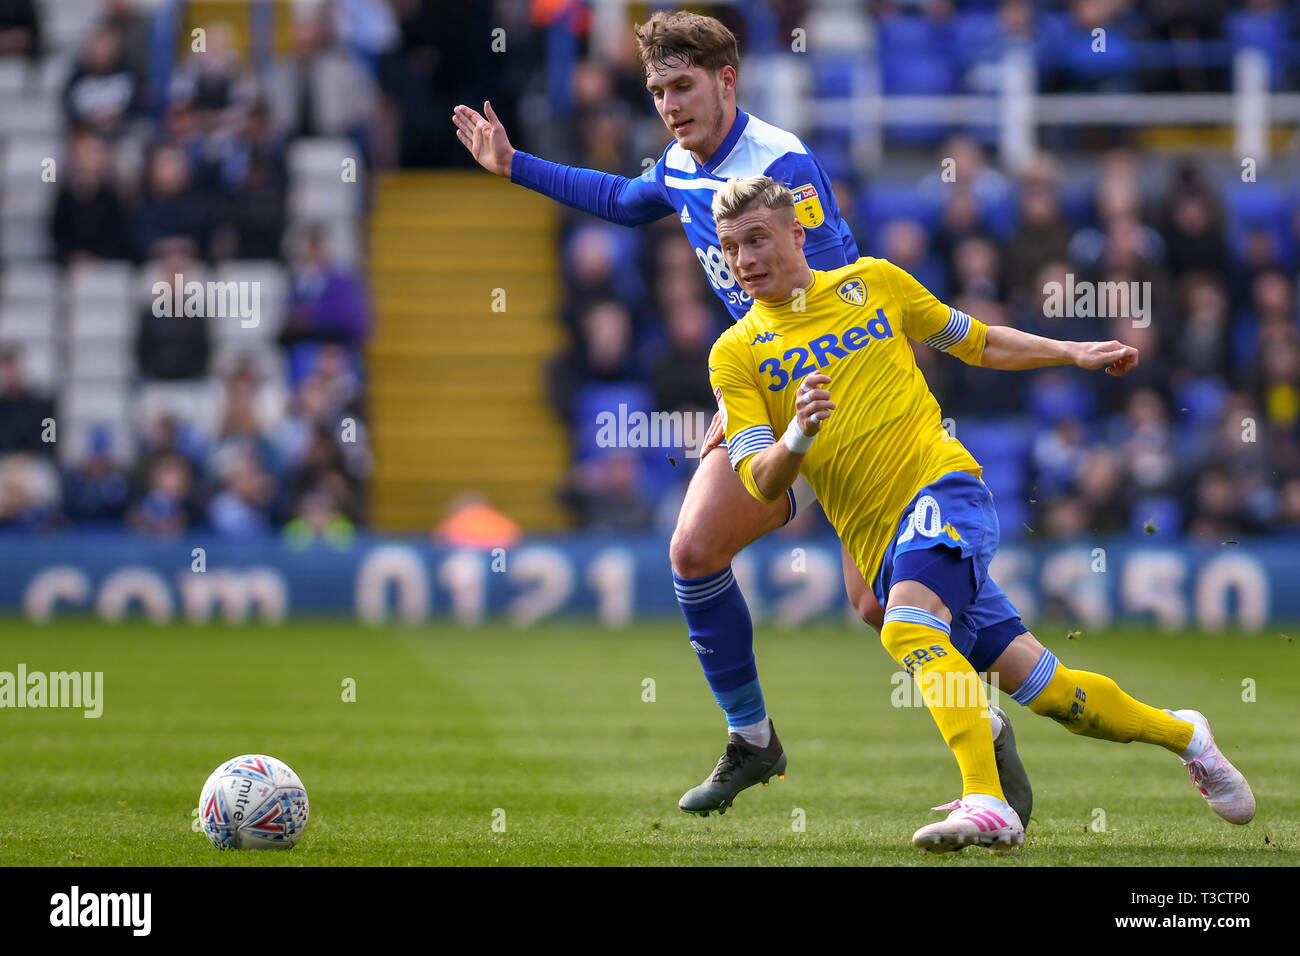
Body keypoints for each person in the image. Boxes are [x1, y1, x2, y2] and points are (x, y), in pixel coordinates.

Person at [451, 10, 1039, 821]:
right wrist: (515, 165)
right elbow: (626, 201)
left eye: (682, 87)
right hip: (766, 390)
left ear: (727, 80)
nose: (668, 105)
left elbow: (835, 297)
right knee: (696, 553)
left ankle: (1007, 711)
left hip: (830, 398)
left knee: (880, 608)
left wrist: (784, 411)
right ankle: (754, 738)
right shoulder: (683, 162)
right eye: (657, 90)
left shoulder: (781, 164)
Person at [704, 175, 1255, 851]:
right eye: (730, 248)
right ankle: (1185, 734)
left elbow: (978, 341)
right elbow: (761, 481)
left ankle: (987, 800)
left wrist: (1073, 351)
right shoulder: (734, 354)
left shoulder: (873, 282)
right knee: (1058, 697)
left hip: (944, 489)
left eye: (757, 238)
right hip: (883, 541)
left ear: (796, 233)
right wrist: (798, 436)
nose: (744, 259)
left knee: (907, 627)